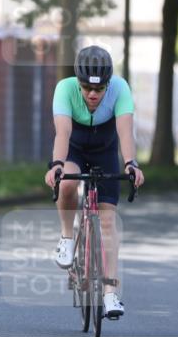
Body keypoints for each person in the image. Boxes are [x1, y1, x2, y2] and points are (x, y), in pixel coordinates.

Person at [44, 46, 145, 319]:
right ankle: (67, 237)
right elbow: (63, 133)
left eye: (99, 90)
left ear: (108, 85)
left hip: (105, 151)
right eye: (87, 87)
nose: (92, 94)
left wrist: (131, 164)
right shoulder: (64, 89)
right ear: (78, 82)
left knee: (108, 220)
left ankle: (111, 294)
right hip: (74, 149)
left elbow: (125, 131)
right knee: (67, 184)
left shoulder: (121, 89)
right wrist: (56, 165)